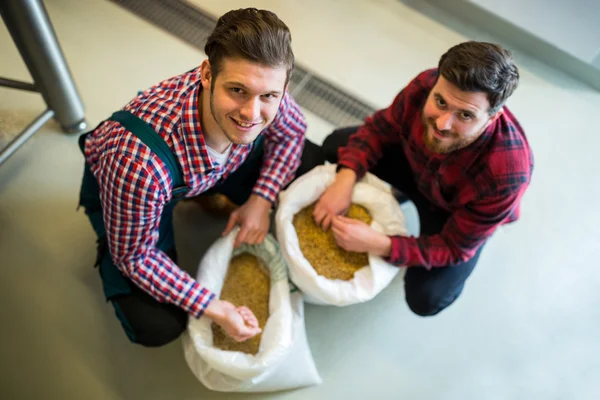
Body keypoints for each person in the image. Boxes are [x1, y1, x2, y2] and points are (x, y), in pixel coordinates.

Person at [77, 8, 324, 347]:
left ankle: (211, 194)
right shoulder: (138, 164)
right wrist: (213, 306)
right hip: (142, 189)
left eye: (268, 96)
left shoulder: (264, 79)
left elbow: (292, 133)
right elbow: (134, 256)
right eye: (237, 90)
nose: (252, 114)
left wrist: (261, 199)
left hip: (212, 167)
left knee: (312, 160)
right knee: (157, 325)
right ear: (206, 74)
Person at [317, 41, 534, 316]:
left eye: (465, 115)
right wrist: (344, 180)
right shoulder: (426, 84)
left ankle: (481, 230)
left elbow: (453, 247)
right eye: (440, 102)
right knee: (336, 145)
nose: (443, 124)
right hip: (417, 169)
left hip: (453, 211)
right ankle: (398, 190)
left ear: (492, 119)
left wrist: (380, 243)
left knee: (427, 298)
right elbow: (380, 129)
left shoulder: (507, 174)